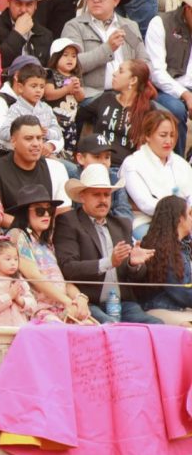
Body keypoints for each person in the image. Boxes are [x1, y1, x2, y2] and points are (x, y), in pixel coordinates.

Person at [54, 163, 161, 324]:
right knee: (113, 329)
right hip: (90, 302)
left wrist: (133, 264)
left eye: (107, 194)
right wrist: (108, 262)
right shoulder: (68, 222)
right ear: (82, 196)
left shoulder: (121, 224)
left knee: (157, 327)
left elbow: (135, 277)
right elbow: (68, 268)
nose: (103, 200)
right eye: (96, 194)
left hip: (123, 303)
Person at [6, 183, 92, 323]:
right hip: (36, 309)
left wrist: (80, 298)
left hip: (60, 306)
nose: (46, 214)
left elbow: (61, 280)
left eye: (50, 210)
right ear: (24, 213)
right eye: (40, 210)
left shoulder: (48, 243)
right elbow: (33, 276)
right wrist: (66, 301)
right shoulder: (16, 235)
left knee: (93, 330)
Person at [61, 0, 149, 99]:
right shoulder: (75, 26)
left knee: (169, 112)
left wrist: (135, 84)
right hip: (91, 94)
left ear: (116, 0)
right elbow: (72, 66)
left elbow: (144, 61)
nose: (95, 0)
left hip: (128, 93)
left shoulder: (128, 26)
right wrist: (107, 49)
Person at [120, 110, 192, 239]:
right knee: (163, 245)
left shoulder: (182, 164)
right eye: (163, 135)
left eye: (172, 135)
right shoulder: (132, 163)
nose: (169, 141)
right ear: (148, 135)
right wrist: (182, 211)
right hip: (147, 222)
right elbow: (146, 204)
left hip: (185, 220)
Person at [0, 115, 71, 228]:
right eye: (29, 138)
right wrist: (30, 228)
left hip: (48, 236)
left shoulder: (56, 168)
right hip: (10, 236)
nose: (36, 144)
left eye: (39, 138)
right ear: (13, 141)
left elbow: (63, 213)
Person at [77, 58, 156, 168]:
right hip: (97, 165)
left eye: (120, 71)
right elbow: (78, 117)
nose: (114, 74)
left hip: (126, 169)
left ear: (133, 80)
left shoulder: (149, 109)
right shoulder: (105, 98)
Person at [145, 0, 192, 156]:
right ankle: (176, 162)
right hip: (165, 88)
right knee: (176, 110)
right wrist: (186, 95)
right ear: (188, 8)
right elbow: (156, 72)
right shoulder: (161, 23)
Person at [139, 195, 192, 325]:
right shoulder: (164, 250)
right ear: (180, 218)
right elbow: (182, 292)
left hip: (181, 308)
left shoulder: (182, 246)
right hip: (163, 309)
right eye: (190, 214)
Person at [0, 0, 54, 70]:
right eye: (18, 3)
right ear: (9, 1)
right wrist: (18, 33)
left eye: (29, 4)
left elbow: (48, 70)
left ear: (35, 5)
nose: (23, 10)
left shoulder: (45, 35)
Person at [0, 64, 64, 155]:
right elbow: (3, 133)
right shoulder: (16, 109)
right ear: (20, 87)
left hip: (46, 154)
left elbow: (58, 133)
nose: (38, 90)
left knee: (70, 169)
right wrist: (25, 132)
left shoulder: (46, 108)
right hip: (24, 155)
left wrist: (47, 133)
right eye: (33, 86)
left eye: (42, 87)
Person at [0, 237, 37, 326]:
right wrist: (9, 296)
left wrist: (19, 300)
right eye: (8, 259)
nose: (13, 263)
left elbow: (33, 305)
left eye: (16, 259)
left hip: (20, 330)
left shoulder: (19, 280)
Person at [74, 133, 131, 220]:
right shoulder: (73, 179)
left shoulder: (115, 178)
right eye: (97, 157)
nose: (103, 162)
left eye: (107, 157)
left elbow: (125, 212)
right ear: (80, 158)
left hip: (111, 229)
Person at [44, 38, 85, 156]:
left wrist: (77, 89)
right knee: (55, 149)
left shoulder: (75, 76)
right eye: (65, 55)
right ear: (55, 57)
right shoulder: (50, 74)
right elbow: (49, 94)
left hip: (71, 123)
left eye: (73, 56)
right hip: (54, 122)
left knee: (68, 151)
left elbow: (81, 98)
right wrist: (67, 89)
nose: (70, 59)